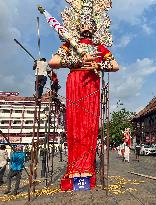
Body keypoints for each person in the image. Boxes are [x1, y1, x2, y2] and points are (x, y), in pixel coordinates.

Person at [47, 1, 119, 188]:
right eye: (83, 23)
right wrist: (77, 60)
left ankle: (87, 167)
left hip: (92, 84)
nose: (87, 27)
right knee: (74, 125)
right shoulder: (68, 44)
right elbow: (53, 62)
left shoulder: (100, 47)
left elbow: (115, 66)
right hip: (76, 82)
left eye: (90, 23)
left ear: (96, 26)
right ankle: (74, 168)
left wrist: (98, 65)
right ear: (77, 24)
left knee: (89, 125)